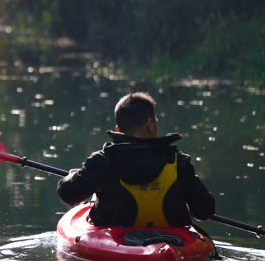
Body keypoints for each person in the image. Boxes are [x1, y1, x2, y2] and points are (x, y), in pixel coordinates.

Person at [57, 91, 215, 228]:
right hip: (172, 246)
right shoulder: (178, 162)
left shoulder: (102, 161)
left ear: (118, 130)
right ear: (150, 125)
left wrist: (73, 176)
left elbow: (67, 194)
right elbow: (204, 211)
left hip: (115, 247)